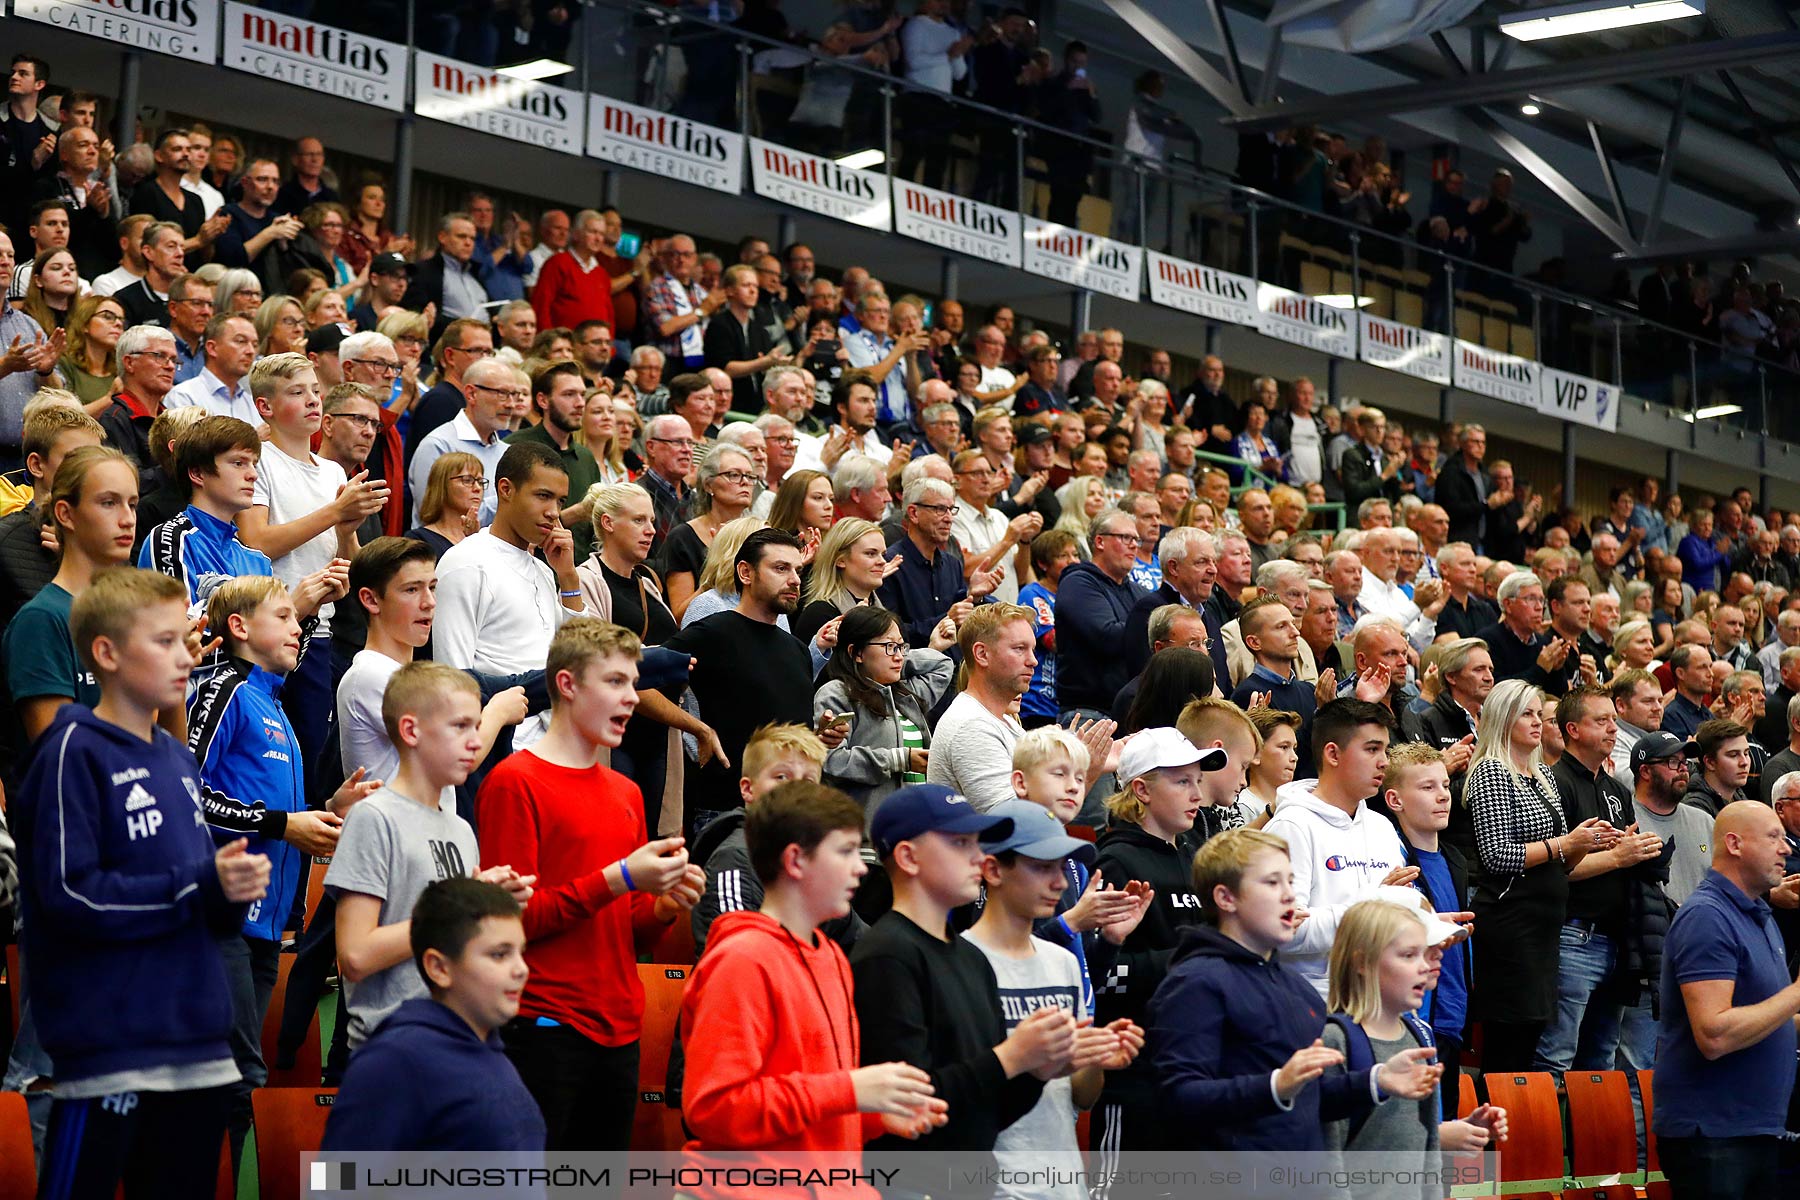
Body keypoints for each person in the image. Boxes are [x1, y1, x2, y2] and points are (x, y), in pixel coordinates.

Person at [13, 567, 271, 1199]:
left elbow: (198, 906)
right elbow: (70, 894)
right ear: (106, 653)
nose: (187, 655)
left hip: (200, 1050)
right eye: (164, 641)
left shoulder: (176, 757)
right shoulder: (73, 747)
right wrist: (198, 884)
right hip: (111, 1054)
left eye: (185, 640)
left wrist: (228, 894)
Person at [478, 617, 704, 1151]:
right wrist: (620, 877)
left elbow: (626, 932)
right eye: (616, 682)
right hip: (544, 1029)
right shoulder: (515, 782)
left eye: (634, 683)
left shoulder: (625, 792)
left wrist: (665, 906)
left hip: (620, 1030)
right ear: (567, 685)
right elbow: (511, 923)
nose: (632, 698)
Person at [186, 576, 374, 1170]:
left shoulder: (272, 700)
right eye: (286, 617)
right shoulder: (224, 687)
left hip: (269, 925)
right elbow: (187, 790)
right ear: (239, 627)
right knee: (238, 1074)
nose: (300, 628)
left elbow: (277, 810)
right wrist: (281, 824)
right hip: (222, 916)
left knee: (240, 1074)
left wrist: (326, 808)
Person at [680, 779, 943, 1167]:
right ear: (795, 861)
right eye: (846, 852)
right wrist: (850, 1090)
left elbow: (821, 1101)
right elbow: (715, 1109)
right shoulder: (741, 960)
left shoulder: (833, 957)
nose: (860, 869)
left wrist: (873, 1116)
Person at [1148, 829, 1438, 1151]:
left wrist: (1376, 1081)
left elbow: (1312, 1098)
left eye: (1290, 881)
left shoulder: (1296, 989)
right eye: (1272, 883)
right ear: (1225, 898)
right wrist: (1276, 1085)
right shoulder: (1196, 982)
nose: (1289, 895)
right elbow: (1178, 1098)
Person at [851, 783, 1073, 1154]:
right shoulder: (887, 955)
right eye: (960, 843)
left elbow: (991, 1112)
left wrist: (1038, 1067)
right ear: (908, 858)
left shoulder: (971, 957)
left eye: (978, 842)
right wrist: (1011, 1057)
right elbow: (908, 1104)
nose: (979, 857)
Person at [327, 661, 534, 1051]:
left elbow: (454, 943)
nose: (475, 742)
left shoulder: (458, 828)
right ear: (411, 731)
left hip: (459, 1036)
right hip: (395, 1046)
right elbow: (355, 956)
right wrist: (456, 908)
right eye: (460, 726)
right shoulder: (374, 817)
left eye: (477, 726)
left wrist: (486, 906)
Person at [965, 799, 1143, 1193]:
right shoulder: (961, 964)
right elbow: (959, 1092)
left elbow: (1082, 1095)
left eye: (1062, 868)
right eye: (1042, 867)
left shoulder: (1062, 962)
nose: (1061, 883)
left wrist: (1095, 1059)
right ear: (993, 870)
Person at [320, 877, 545, 1151]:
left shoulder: (493, 1054)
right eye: (499, 955)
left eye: (520, 953)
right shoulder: (394, 1062)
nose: (521, 969)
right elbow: (332, 1181)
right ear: (439, 968)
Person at [236, 352, 383, 773]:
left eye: (315, 391)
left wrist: (346, 529)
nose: (313, 401)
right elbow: (256, 542)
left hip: (320, 630)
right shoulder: (259, 461)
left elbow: (351, 564)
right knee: (274, 751)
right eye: (297, 393)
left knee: (314, 750)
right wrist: (334, 514)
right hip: (269, 626)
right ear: (265, 407)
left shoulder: (333, 472)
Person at [1089, 728, 1228, 1155]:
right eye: (1182, 781)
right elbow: (1099, 975)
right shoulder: (1115, 861)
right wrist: (1189, 961)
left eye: (1198, 781)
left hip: (1197, 1068)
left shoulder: (1197, 856)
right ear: (1141, 790)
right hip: (1135, 1075)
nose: (1196, 794)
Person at [1466, 679, 1617, 1070]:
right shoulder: (1491, 772)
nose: (1539, 722)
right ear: (1503, 718)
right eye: (1528, 714)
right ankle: (1495, 1127)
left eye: (1540, 713)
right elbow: (1497, 855)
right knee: (1507, 1047)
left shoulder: (1544, 776)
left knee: (1530, 1037)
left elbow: (1562, 862)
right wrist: (1565, 844)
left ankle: (1519, 1128)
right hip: (1510, 924)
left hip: (1544, 927)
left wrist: (1590, 842)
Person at [1654, 801, 1800, 1199]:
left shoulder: (1759, 916)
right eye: (1773, 837)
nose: (1787, 848)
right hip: (1714, 1137)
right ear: (1734, 844)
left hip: (1755, 1130)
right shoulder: (1708, 917)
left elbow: (1768, 1017)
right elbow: (1714, 1035)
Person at [1536, 686, 1667, 1077]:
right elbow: (1555, 867)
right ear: (1572, 729)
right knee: (1557, 1057)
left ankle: (1593, 1140)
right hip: (1574, 935)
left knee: (1602, 1063)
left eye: (1614, 719)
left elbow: (1623, 855)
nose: (1614, 729)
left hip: (1616, 940)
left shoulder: (1615, 790)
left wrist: (1640, 851)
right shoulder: (1552, 783)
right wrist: (1618, 856)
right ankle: (1549, 1139)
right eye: (1602, 721)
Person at [434, 442, 588, 755]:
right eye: (543, 496)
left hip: (554, 743)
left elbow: (577, 655)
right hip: (499, 748)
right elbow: (452, 676)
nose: (554, 512)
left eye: (560, 501)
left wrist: (569, 578)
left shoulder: (546, 571)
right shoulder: (465, 562)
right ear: (506, 489)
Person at [664, 528, 829, 818]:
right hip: (726, 811)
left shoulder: (797, 649)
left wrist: (820, 736)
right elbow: (637, 683)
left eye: (797, 570)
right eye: (780, 568)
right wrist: (697, 728)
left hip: (795, 809)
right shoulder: (712, 633)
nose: (794, 579)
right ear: (745, 573)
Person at [1263, 698, 1411, 997]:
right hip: (1313, 1005)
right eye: (1372, 749)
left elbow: (1393, 914)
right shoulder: (1291, 826)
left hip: (1380, 1001)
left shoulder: (1382, 827)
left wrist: (1425, 924)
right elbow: (1284, 930)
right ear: (1333, 753)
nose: (1385, 761)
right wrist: (1369, 909)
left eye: (1385, 749)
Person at [5, 447, 139, 756]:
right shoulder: (42, 619)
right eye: (109, 503)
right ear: (66, 514)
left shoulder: (134, 614)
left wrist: (174, 676)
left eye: (132, 504)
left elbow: (168, 754)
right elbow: (62, 759)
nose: (128, 519)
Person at [1380, 743, 1473, 1114]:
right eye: (1427, 788)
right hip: (1414, 1019)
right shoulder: (1394, 861)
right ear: (1395, 799)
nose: (1442, 797)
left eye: (1445, 786)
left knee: (1443, 1135)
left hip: (1453, 1014)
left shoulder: (1455, 859)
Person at [815, 604, 956, 821]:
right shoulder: (837, 693)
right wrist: (899, 759)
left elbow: (942, 665)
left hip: (916, 826)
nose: (899, 656)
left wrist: (895, 656)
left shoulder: (905, 694)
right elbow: (832, 762)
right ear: (856, 652)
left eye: (901, 647)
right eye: (889, 646)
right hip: (867, 834)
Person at [0, 401, 100, 629]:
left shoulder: (110, 537)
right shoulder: (6, 541)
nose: (91, 471)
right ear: (36, 465)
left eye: (96, 460)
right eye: (75, 459)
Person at [880, 475, 995, 647]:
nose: (949, 518)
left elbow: (961, 615)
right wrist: (946, 620)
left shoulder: (952, 564)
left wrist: (974, 596)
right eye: (940, 509)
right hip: (911, 667)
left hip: (953, 667)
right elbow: (889, 633)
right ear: (913, 513)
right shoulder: (889, 565)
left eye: (951, 509)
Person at [1056, 508, 1147, 722]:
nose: (1134, 544)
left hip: (1132, 713)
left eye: (1136, 539)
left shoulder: (1139, 592)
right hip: (1089, 715)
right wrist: (1149, 626)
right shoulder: (1078, 583)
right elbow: (1107, 637)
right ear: (1100, 542)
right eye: (1125, 537)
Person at [507, 362, 602, 562]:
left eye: (582, 395)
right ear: (543, 400)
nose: (580, 403)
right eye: (569, 394)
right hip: (529, 569)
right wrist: (574, 514)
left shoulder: (586, 457)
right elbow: (509, 522)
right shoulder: (516, 448)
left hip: (582, 574)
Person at [659, 442, 756, 621]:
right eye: (733, 475)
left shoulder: (760, 535)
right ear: (708, 485)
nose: (745, 482)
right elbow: (680, 615)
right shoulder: (683, 537)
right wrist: (715, 573)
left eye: (750, 476)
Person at [164, 312, 259, 425]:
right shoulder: (184, 397)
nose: (251, 351)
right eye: (240, 341)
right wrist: (254, 438)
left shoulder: (252, 403)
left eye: (255, 344)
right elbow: (184, 443)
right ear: (212, 348)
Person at [1681, 718, 1753, 817]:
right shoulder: (1695, 807)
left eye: (1746, 753)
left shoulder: (1737, 795)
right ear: (1710, 762)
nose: (1744, 762)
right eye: (1733, 755)